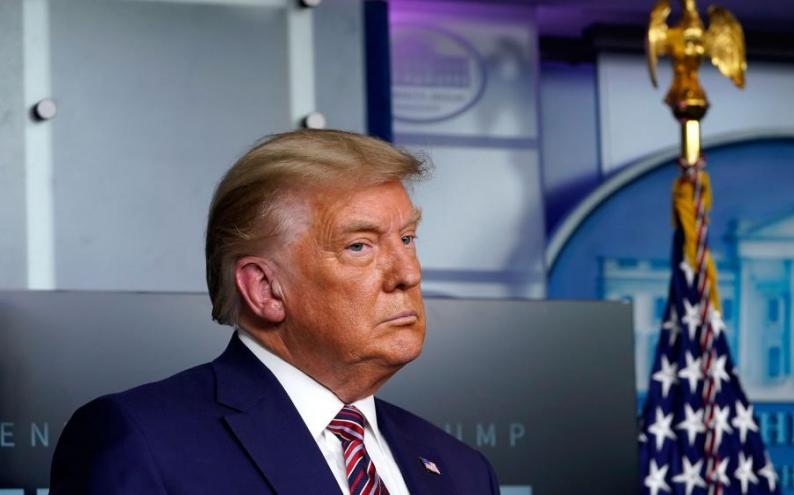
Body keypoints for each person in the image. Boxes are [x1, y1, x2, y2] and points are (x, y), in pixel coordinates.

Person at [50, 129, 500, 494]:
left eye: (406, 238)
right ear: (265, 289)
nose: (408, 273)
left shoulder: (464, 471)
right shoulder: (143, 441)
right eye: (359, 246)